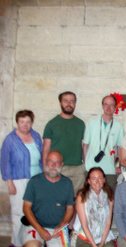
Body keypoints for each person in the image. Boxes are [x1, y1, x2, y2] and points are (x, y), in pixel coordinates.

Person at [0, 110, 43, 247]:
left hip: (36, 180)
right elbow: (5, 162)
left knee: (35, 210)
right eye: (22, 121)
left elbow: (41, 158)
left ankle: (32, 240)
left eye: (28, 121)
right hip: (18, 180)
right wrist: (9, 182)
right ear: (17, 122)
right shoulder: (10, 139)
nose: (25, 124)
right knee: (19, 212)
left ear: (32, 122)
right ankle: (16, 242)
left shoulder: (36, 136)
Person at [23, 150, 75, 247]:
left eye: (57, 162)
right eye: (50, 161)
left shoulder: (67, 183)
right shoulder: (34, 181)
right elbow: (26, 207)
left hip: (57, 229)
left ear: (62, 164)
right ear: (46, 162)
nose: (53, 165)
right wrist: (39, 229)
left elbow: (70, 208)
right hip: (35, 226)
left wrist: (61, 226)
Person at [42, 91, 85, 195]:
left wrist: (85, 167)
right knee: (58, 199)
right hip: (58, 168)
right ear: (60, 103)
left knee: (77, 200)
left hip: (77, 169)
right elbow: (46, 148)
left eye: (72, 101)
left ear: (75, 103)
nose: (69, 104)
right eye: (65, 101)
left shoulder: (80, 123)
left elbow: (83, 145)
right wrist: (45, 169)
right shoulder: (51, 124)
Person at [84, 95, 124, 193]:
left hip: (110, 169)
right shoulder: (92, 123)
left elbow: (120, 148)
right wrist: (86, 163)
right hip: (91, 167)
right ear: (102, 106)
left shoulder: (119, 126)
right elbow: (85, 145)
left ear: (115, 107)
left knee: (109, 198)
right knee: (90, 198)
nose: (108, 107)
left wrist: (118, 165)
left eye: (111, 105)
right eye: (106, 104)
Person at [72, 167, 115, 247]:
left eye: (100, 178)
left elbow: (108, 222)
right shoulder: (81, 197)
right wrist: (94, 245)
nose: (97, 182)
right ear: (89, 181)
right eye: (93, 179)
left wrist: (102, 242)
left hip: (103, 236)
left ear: (104, 180)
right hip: (86, 236)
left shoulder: (109, 195)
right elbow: (84, 225)